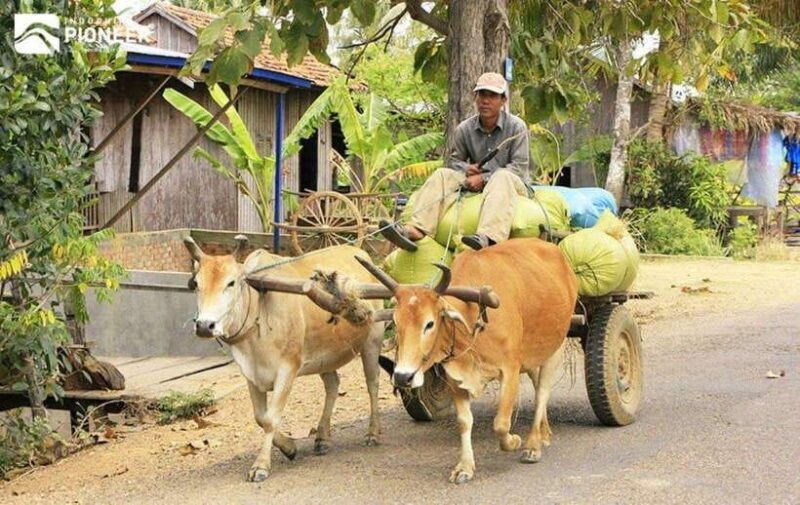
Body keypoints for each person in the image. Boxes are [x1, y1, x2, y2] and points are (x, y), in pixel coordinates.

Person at [381, 72, 530, 251]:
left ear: (503, 100)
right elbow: (454, 161)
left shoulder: (517, 127)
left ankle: (488, 237)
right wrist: (467, 169)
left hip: (511, 183)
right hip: (475, 181)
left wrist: (484, 178)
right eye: (482, 95)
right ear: (475, 98)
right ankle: (417, 228)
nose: (485, 101)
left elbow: (519, 168)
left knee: (502, 176)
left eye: (492, 96)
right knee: (442, 174)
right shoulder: (464, 129)